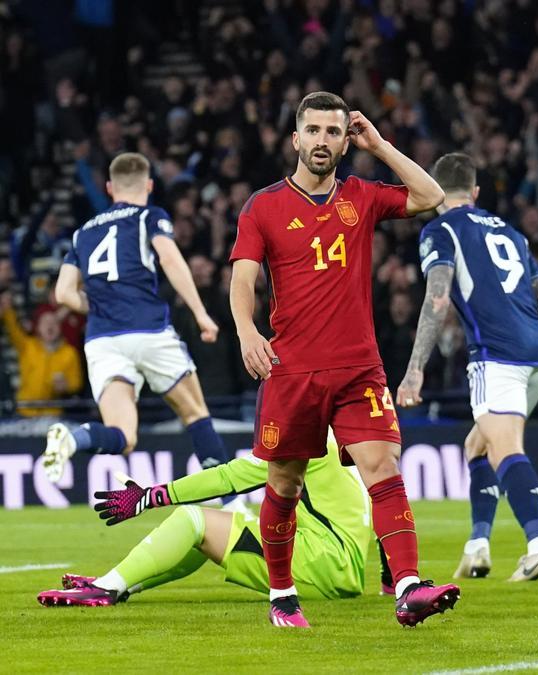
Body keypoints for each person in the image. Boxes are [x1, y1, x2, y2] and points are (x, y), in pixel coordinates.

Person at [230, 91, 452, 628]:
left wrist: (379, 144)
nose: (323, 141)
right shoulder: (263, 206)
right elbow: (243, 278)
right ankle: (282, 596)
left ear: (343, 140)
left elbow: (432, 194)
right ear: (296, 138)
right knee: (285, 484)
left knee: (383, 467)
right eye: (314, 131)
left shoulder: (363, 195)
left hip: (358, 368)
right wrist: (245, 330)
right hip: (292, 371)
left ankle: (406, 588)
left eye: (334, 132)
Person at [398, 152, 538, 582]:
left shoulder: (440, 230)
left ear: (436, 191)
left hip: (497, 355)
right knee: (476, 447)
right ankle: (477, 546)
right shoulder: (511, 233)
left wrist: (415, 368)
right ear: (474, 192)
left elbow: (437, 299)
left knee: (505, 447)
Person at [40, 153, 231, 489]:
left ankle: (73, 438)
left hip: (102, 340)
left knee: (123, 436)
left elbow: (64, 294)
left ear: (110, 188)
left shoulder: (83, 232)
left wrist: (103, 304)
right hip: (148, 329)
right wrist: (201, 313)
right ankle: (233, 505)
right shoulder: (149, 216)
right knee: (195, 414)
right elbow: (170, 259)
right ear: (149, 185)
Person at [36, 432, 374, 607]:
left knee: (192, 519)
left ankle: (106, 589)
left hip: (322, 564)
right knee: (207, 533)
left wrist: (154, 496)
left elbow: (230, 478)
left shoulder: (304, 437)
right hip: (340, 568)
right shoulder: (334, 438)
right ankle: (121, 583)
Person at [0, 298, 83, 417]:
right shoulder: (27, 346)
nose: (49, 326)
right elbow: (13, 329)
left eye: (54, 322)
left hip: (53, 414)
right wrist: (7, 310)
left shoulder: (70, 352)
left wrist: (67, 386)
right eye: (45, 322)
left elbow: (76, 382)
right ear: (38, 327)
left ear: (60, 327)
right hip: (24, 411)